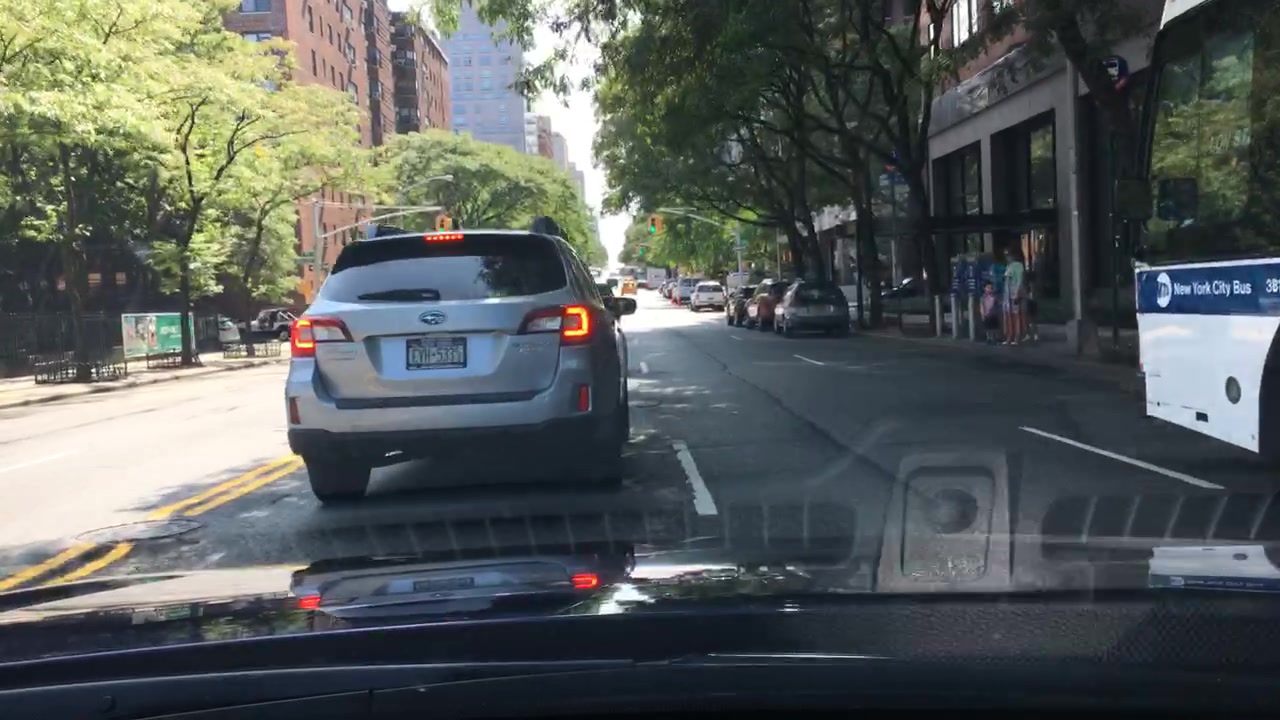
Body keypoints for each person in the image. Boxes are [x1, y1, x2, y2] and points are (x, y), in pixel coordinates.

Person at [1002, 249, 1026, 345]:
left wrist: (1017, 292)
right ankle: (1009, 335)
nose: (1007, 258)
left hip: (1014, 292)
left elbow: (1019, 280)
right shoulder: (1009, 266)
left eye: (1009, 255)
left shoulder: (1018, 265)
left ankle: (1017, 336)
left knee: (1016, 315)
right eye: (1006, 256)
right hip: (1007, 293)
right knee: (1008, 315)